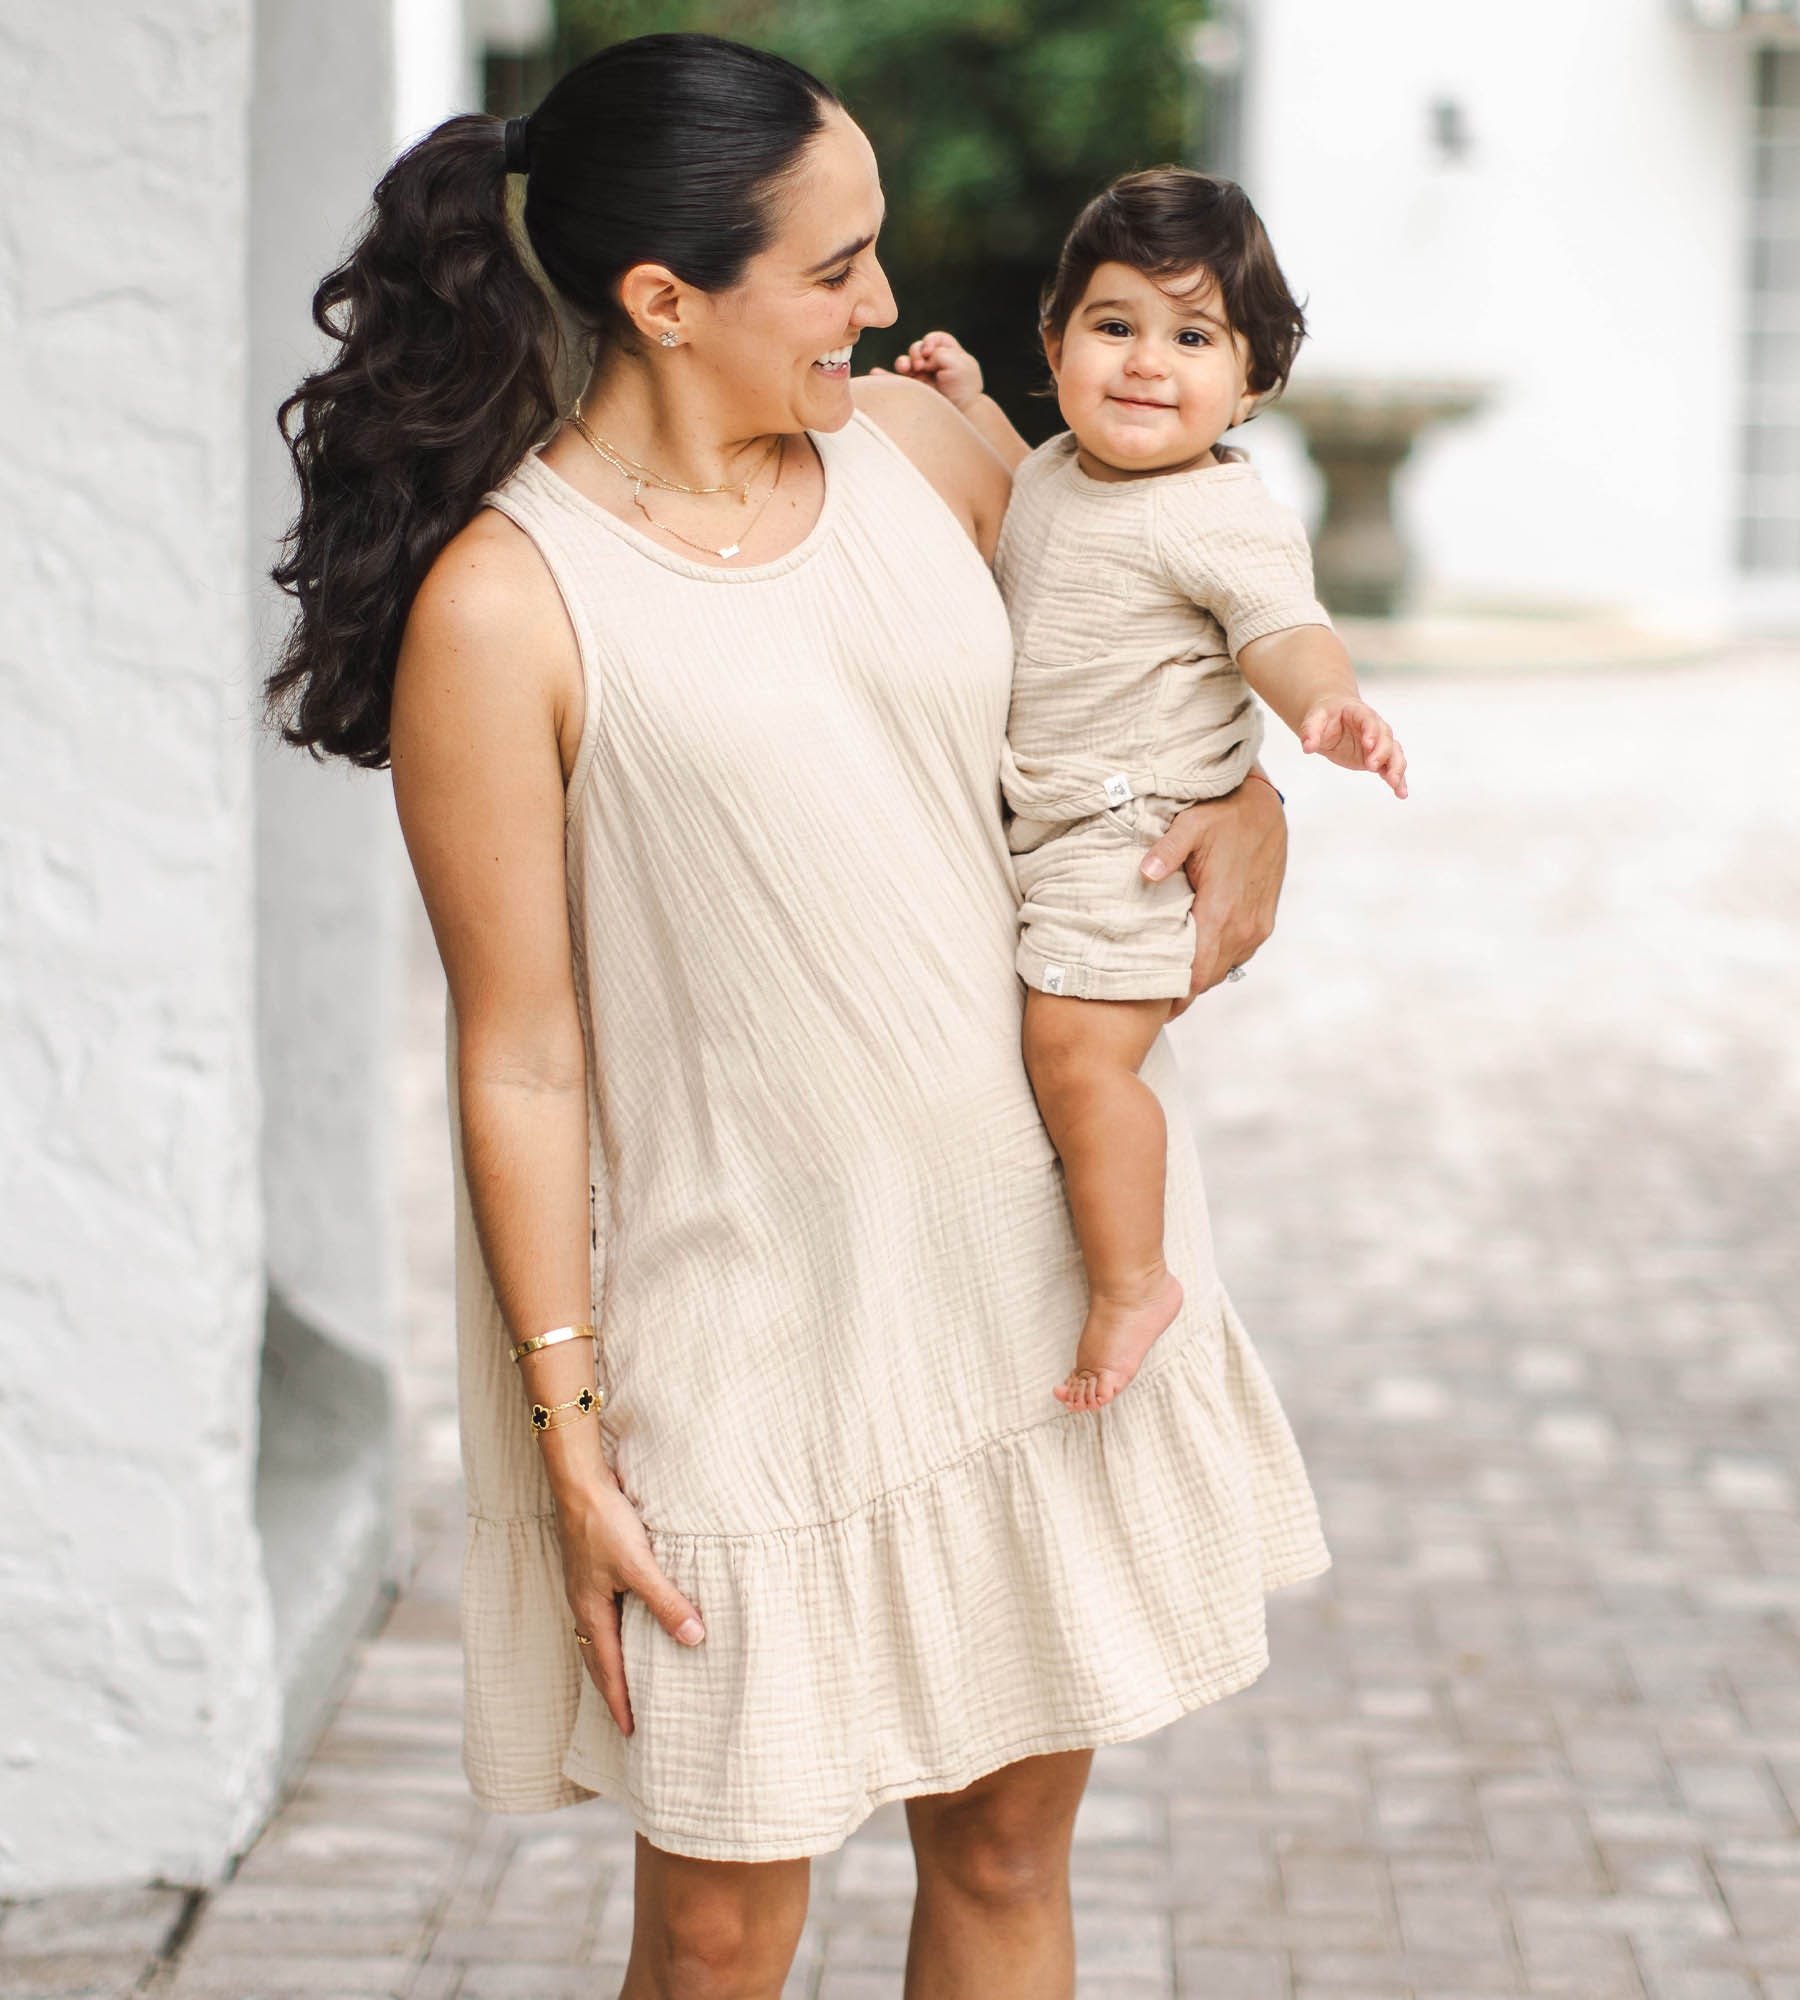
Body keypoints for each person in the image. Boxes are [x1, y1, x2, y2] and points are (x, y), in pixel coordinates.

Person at [266, 34, 1330, 2000]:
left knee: (1009, 1849)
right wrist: (567, 1428)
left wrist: (1251, 802)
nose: (888, 305)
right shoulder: (505, 608)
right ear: (664, 300)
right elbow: (518, 1051)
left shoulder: (923, 457)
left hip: (1029, 1279)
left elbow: (1136, 690)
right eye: (836, 268)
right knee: (726, 1920)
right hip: (735, 1334)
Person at [887, 168, 1407, 1415]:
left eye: (1193, 337)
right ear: (1056, 339)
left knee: (1074, 1053)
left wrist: (1322, 706)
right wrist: (965, 406)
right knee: (1051, 1047)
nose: (1145, 363)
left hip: (1133, 835)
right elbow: (1027, 513)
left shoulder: (1220, 515)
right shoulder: (1066, 466)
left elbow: (1283, 626)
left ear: (1254, 383)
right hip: (1057, 818)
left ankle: (1132, 1279)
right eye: (1114, 326)